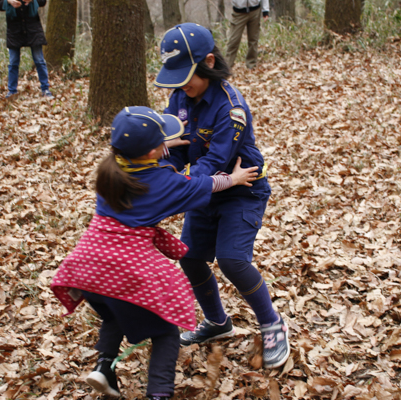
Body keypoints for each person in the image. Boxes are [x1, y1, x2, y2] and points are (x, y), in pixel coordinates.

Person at [51, 106, 259, 400]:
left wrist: (162, 146)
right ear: (151, 152)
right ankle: (159, 393)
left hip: (87, 267)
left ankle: (103, 366)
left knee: (114, 314)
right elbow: (206, 183)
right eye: (162, 141)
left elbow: (140, 157)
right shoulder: (163, 183)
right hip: (124, 267)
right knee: (165, 332)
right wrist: (235, 179)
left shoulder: (110, 170)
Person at [154, 23, 290, 369]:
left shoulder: (231, 109)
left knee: (232, 259)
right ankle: (217, 322)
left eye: (186, 77)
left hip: (241, 189)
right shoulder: (179, 98)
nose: (181, 87)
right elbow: (179, 146)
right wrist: (160, 164)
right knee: (190, 256)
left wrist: (177, 187)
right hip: (204, 190)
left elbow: (216, 161)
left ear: (209, 63)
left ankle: (272, 323)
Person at [0, 0, 53, 99]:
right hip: (14, 29)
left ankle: (45, 89)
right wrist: (9, 1)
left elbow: (43, 2)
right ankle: (12, 91)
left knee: (39, 61)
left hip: (33, 28)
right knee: (13, 62)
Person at [224, 0, 269, 70]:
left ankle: (251, 65)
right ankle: (227, 67)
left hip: (255, 10)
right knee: (233, 40)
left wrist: (265, 10)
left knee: (253, 40)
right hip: (238, 12)